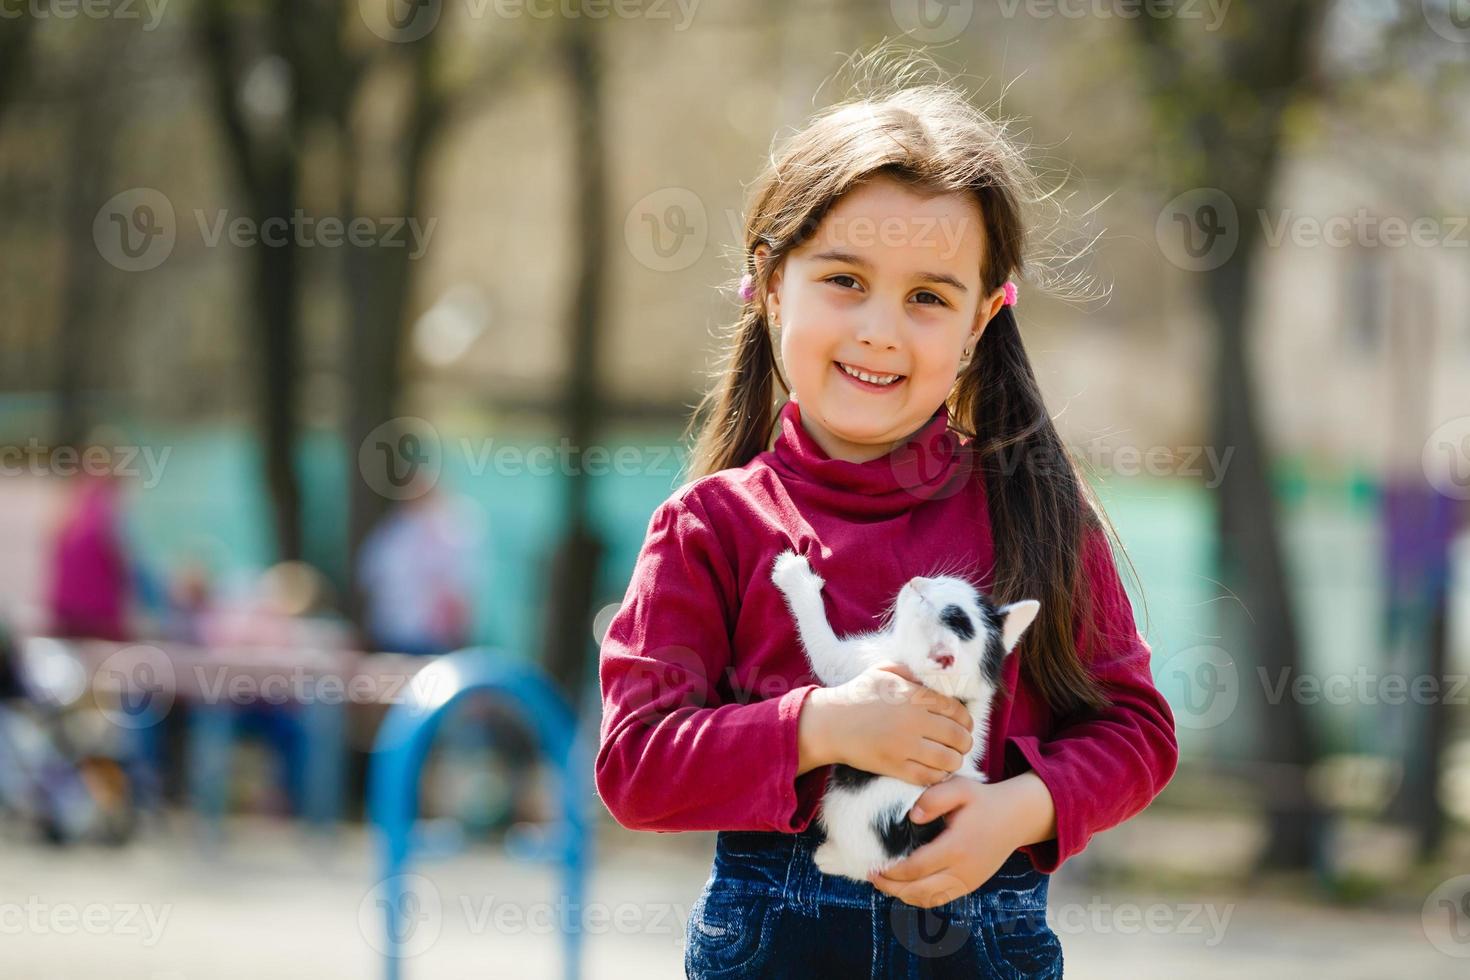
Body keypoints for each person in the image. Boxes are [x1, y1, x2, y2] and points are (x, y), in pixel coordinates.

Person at [595, 54, 1179, 978]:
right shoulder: (710, 526)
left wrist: (1018, 811)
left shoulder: (1037, 515)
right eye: (844, 280)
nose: (879, 329)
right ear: (771, 280)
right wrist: (819, 727)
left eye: (927, 298)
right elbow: (635, 766)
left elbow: (1136, 732)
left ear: (982, 319)